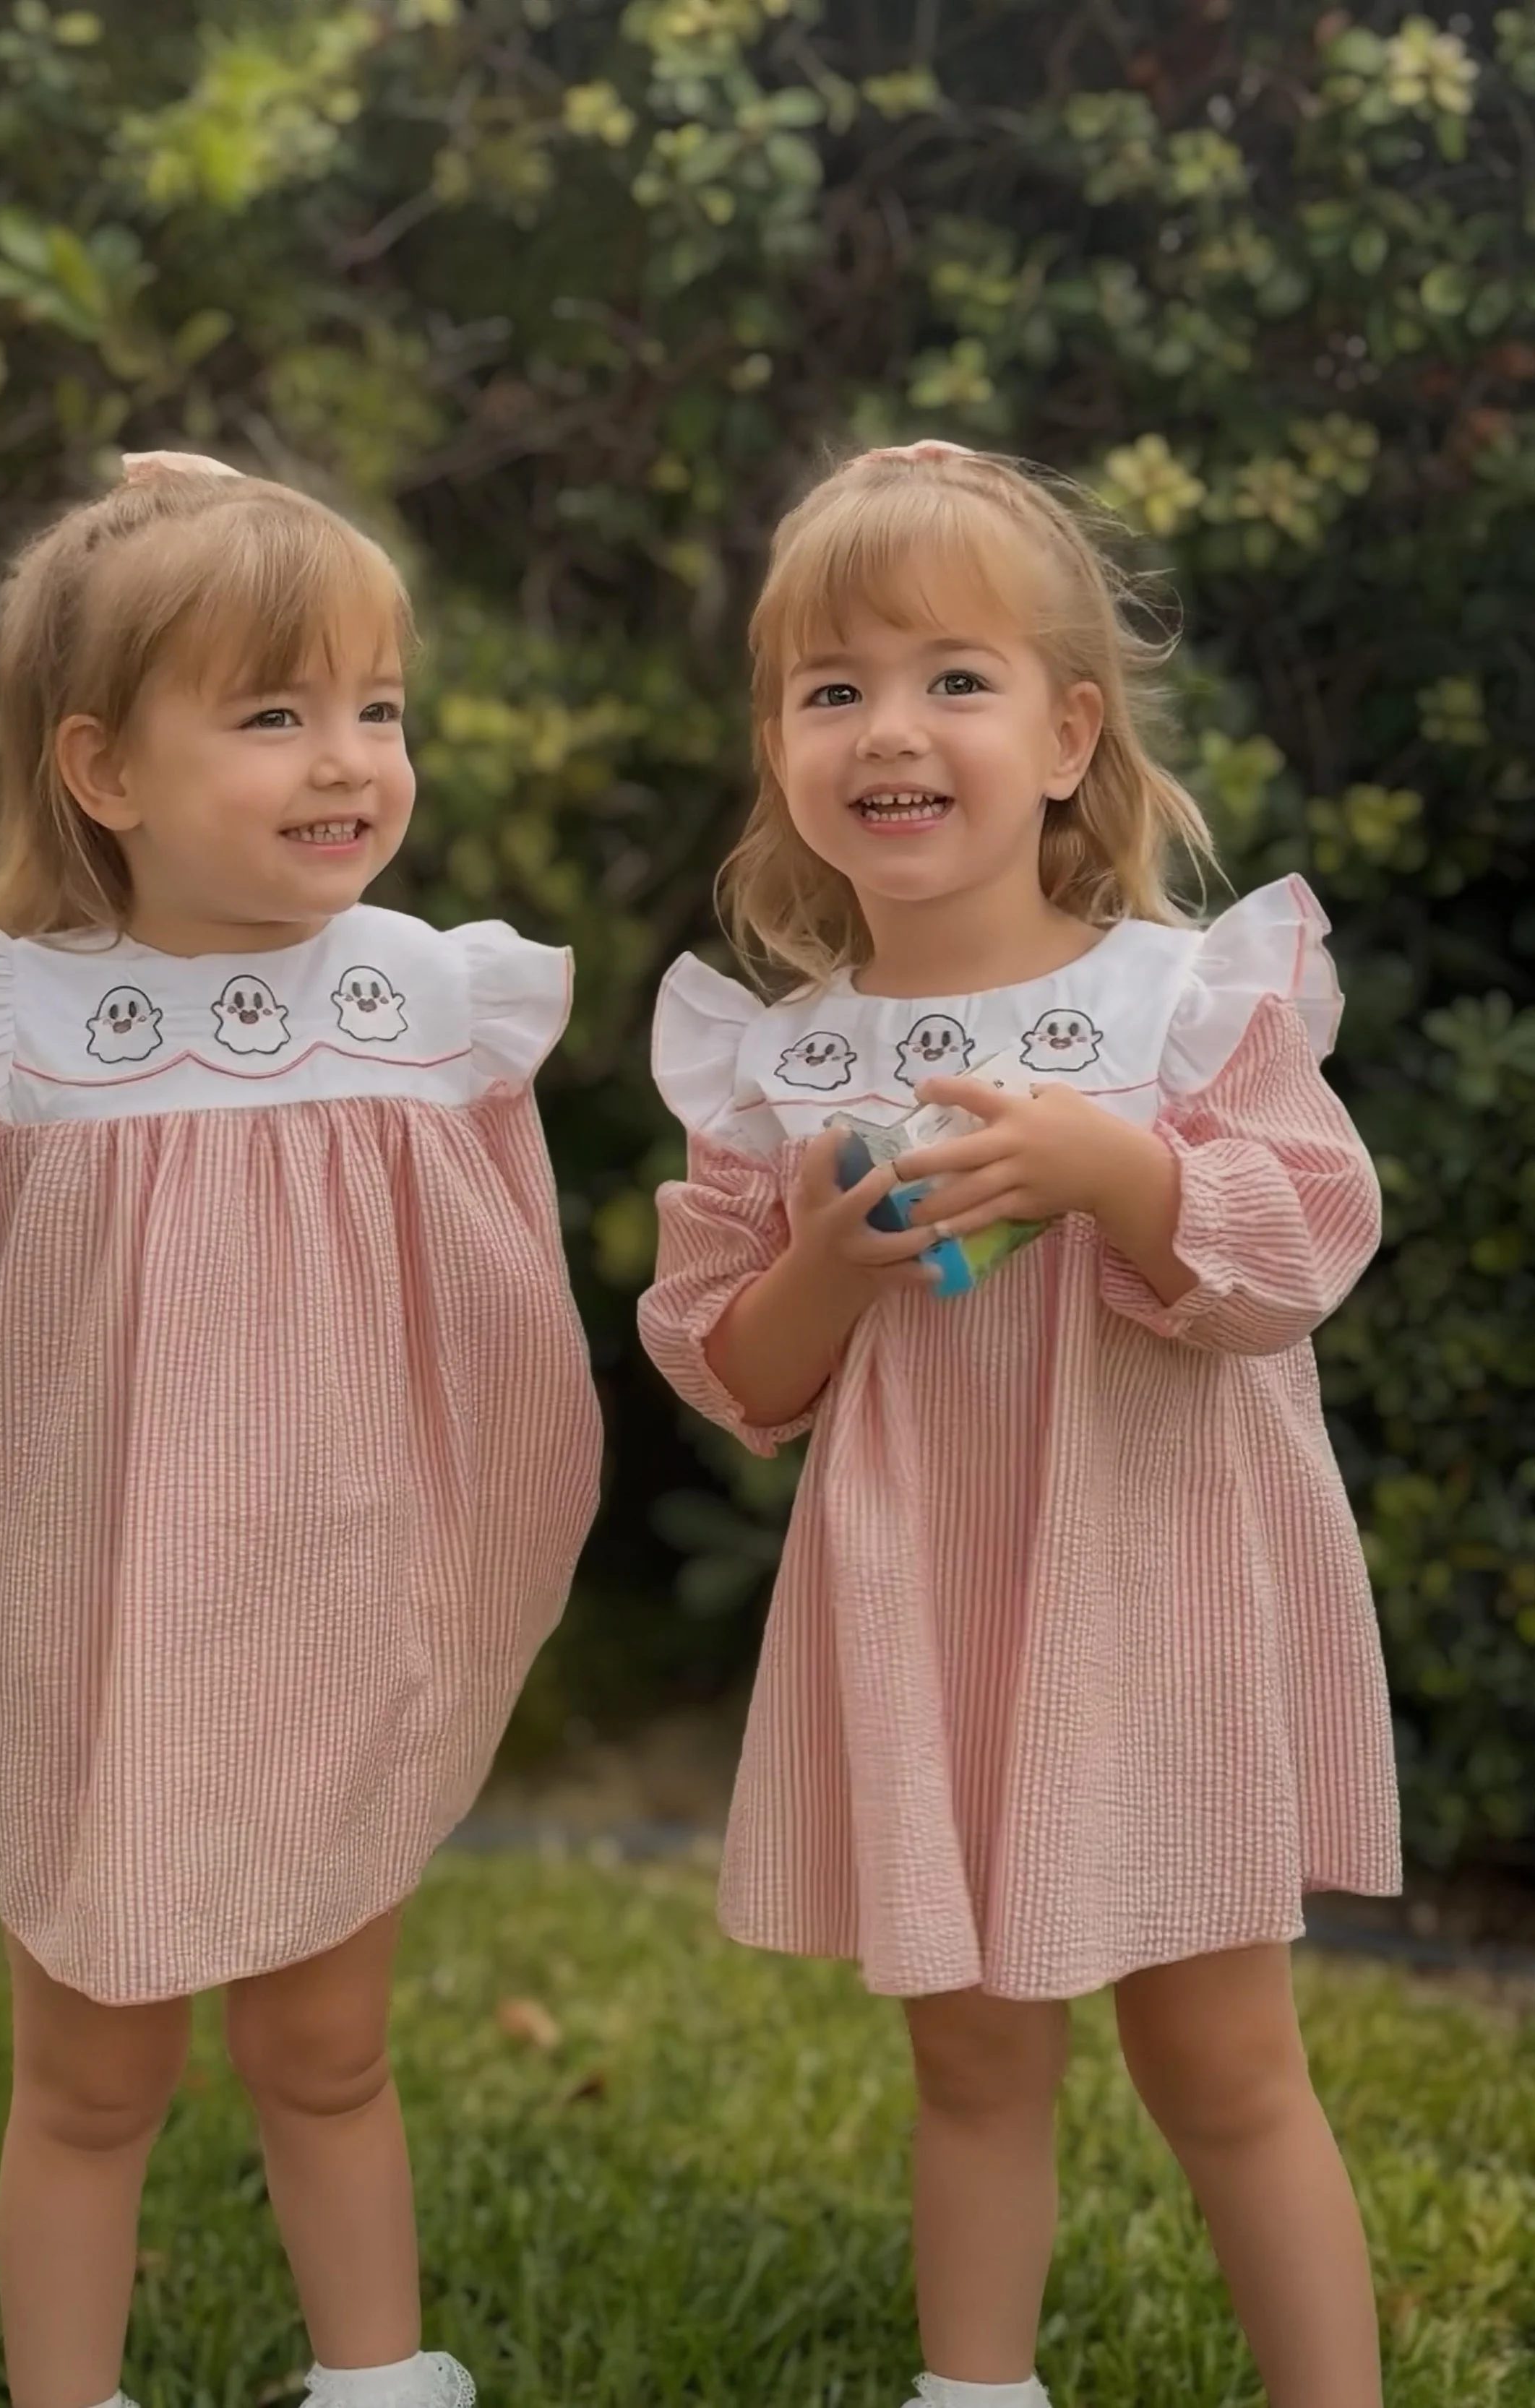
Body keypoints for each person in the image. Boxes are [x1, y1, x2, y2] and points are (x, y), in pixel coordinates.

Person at [0, 450, 601, 2408]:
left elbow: (505, 1313)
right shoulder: (11, 1021)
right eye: (274, 712)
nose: (346, 758)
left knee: (326, 2044)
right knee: (96, 2068)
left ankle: (377, 2374)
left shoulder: (427, 1007)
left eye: (374, 709)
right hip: (117, 1621)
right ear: (106, 769)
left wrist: (480, 1549)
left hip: (340, 1601)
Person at [637, 438, 1399, 2408]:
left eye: (948, 678)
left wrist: (1116, 1170)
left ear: (1067, 733)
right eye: (831, 689)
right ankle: (971, 2391)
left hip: (1153, 1593)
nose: (887, 727)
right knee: (970, 2050)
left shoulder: (1174, 1008)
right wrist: (821, 1256)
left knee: (1217, 2056)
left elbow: (1301, 1245)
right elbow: (737, 1371)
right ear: (784, 746)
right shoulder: (786, 1060)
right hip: (933, 1605)